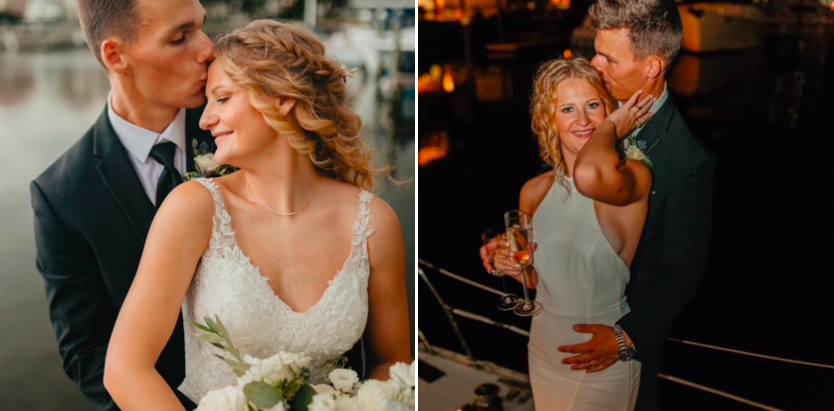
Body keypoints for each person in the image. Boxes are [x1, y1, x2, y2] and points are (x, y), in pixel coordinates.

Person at [102, 19, 412, 409]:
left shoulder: (373, 223)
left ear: (282, 98)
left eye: (223, 98)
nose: (204, 120)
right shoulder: (194, 209)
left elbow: (393, 362)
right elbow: (126, 368)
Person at [30, 0, 214, 409]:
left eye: (203, 27)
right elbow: (87, 351)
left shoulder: (246, 129)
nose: (207, 49)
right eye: (179, 37)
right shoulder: (61, 195)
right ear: (116, 55)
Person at [556, 1, 716, 410]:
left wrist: (626, 337)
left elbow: (682, 271)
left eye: (609, 58)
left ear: (652, 67)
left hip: (620, 339)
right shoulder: (589, 110)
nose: (594, 64)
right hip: (561, 319)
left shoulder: (688, 161)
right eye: (596, 51)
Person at [485, 56, 654, 410]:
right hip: (543, 351)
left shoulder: (631, 179)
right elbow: (536, 280)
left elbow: (590, 172)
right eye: (567, 109)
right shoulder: (533, 191)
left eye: (593, 106)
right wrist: (509, 264)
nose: (582, 120)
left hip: (600, 358)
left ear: (611, 111)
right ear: (550, 120)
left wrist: (612, 129)